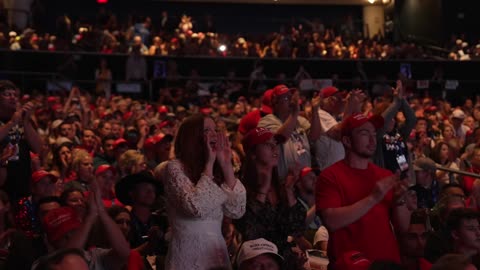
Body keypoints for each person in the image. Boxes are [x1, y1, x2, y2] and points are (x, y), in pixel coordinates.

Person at [316, 113, 411, 266]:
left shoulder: (385, 175)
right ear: (347, 141)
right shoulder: (330, 176)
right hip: (350, 265)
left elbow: (404, 227)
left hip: (387, 263)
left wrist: (400, 200)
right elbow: (332, 221)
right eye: (364, 133)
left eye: (374, 133)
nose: (373, 140)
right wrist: (373, 198)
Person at [160, 114, 246, 269]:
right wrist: (209, 164)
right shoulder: (175, 168)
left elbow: (236, 210)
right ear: (192, 137)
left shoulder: (218, 171)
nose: (214, 134)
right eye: (207, 130)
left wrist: (226, 164)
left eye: (215, 129)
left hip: (215, 254)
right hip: (187, 255)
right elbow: (195, 207)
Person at [235, 127, 306, 268]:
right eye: (268, 145)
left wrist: (289, 191)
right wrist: (262, 192)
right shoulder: (239, 188)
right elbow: (251, 233)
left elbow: (296, 228)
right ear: (253, 153)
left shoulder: (280, 185)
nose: (275, 149)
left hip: (285, 261)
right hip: (260, 264)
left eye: (276, 144)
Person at [258, 84, 321, 182]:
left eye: (291, 97)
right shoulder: (267, 121)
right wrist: (295, 112)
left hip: (304, 180)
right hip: (284, 181)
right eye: (286, 98)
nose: (291, 101)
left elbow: (314, 136)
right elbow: (280, 138)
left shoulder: (299, 120)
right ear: (275, 102)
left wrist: (315, 110)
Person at [0, 80, 42, 202]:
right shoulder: (12, 121)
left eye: (15, 95)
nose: (13, 97)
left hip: (23, 183)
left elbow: (38, 148)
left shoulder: (22, 119)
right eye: (7, 94)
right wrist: (12, 123)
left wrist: (26, 121)